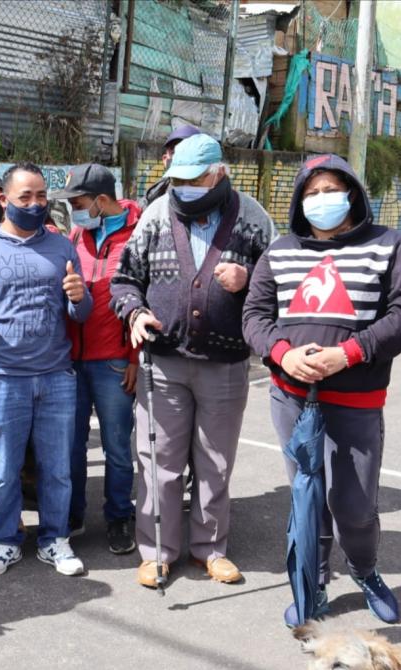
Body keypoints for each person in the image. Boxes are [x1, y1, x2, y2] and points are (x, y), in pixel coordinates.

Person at [242, 154, 401, 626]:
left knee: (355, 506)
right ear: (300, 201)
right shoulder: (279, 251)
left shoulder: (389, 245)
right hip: (291, 399)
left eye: (332, 189)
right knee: (307, 495)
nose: (323, 199)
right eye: (312, 191)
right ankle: (313, 581)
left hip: (356, 400)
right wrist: (282, 354)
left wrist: (351, 352)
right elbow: (254, 316)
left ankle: (365, 570)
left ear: (353, 193)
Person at [109, 134, 275, 590]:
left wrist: (248, 280)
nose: (182, 187)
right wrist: (136, 312)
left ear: (217, 173)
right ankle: (157, 552)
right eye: (176, 179)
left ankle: (211, 549)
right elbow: (124, 280)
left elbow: (280, 282)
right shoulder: (157, 215)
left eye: (192, 179)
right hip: (163, 360)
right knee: (157, 459)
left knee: (215, 461)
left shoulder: (255, 218)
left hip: (225, 362)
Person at [0, 162, 93, 578]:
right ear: (4, 200)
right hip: (0, 376)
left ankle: (55, 540)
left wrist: (79, 297)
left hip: (55, 375)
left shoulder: (62, 247)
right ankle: (5, 540)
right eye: (25, 197)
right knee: (4, 466)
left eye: (41, 197)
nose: (34, 204)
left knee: (57, 466)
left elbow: (79, 314)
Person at [51, 163, 141, 554]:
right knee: (70, 446)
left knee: (117, 447)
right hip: (72, 362)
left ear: (102, 202)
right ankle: (72, 515)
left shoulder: (138, 236)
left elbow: (145, 297)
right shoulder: (76, 235)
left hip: (114, 361)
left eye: (80, 202)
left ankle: (119, 516)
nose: (75, 209)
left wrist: (135, 357)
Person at [140, 124, 202, 208]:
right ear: (165, 160)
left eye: (189, 151)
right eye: (174, 152)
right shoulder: (152, 197)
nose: (181, 158)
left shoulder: (221, 201)